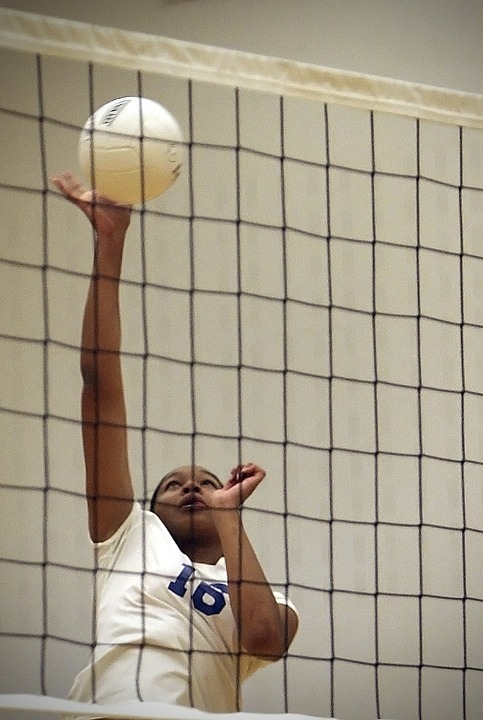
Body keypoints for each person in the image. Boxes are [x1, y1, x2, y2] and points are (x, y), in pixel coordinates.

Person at [50, 172, 299, 718]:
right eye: (173, 484)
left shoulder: (271, 602)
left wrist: (228, 513)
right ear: (152, 508)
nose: (191, 486)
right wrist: (110, 245)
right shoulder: (126, 535)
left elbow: (263, 638)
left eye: (207, 483)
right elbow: (100, 388)